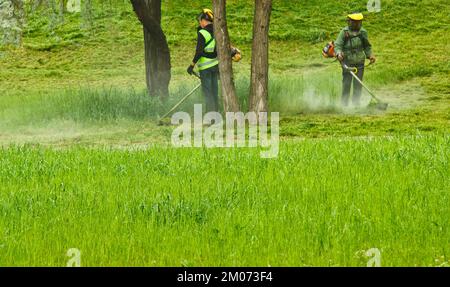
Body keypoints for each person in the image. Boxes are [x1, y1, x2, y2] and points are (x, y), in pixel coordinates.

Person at [334, 12, 376, 107]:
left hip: (360, 62)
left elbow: (367, 46)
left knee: (358, 84)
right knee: (346, 83)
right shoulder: (344, 32)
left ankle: (356, 104)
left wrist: (370, 56)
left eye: (358, 22)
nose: (356, 24)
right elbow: (337, 45)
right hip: (347, 63)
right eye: (354, 22)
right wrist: (339, 53)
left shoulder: (363, 32)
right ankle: (344, 105)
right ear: (349, 22)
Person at [187, 8, 220, 112]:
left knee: (208, 93)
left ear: (204, 20)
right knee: (214, 92)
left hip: (205, 68)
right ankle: (216, 115)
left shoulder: (202, 32)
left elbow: (199, 52)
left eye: (200, 21)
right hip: (215, 66)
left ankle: (210, 118)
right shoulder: (217, 31)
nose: (199, 23)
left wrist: (191, 65)